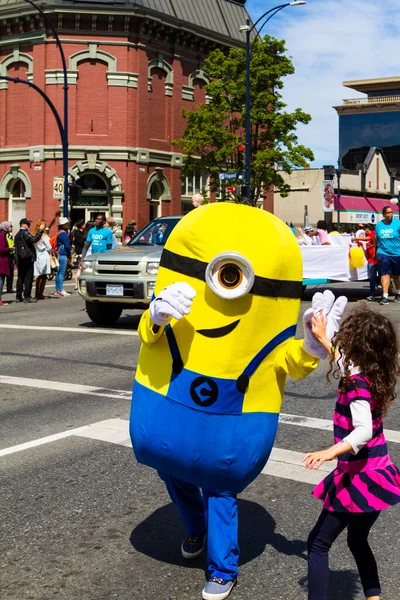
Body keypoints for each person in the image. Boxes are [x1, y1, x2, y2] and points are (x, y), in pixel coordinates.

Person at [129, 203, 347, 600]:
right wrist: (156, 316)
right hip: (169, 402)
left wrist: (312, 349)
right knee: (171, 470)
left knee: (220, 486)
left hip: (234, 416)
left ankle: (223, 569)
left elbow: (286, 361)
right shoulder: (175, 303)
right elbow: (149, 338)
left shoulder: (267, 310)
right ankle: (196, 528)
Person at [303, 305, 400, 600]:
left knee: (318, 543)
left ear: (355, 344)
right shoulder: (372, 373)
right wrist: (323, 338)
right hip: (379, 476)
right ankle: (374, 597)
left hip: (357, 480)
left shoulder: (357, 385)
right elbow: (345, 362)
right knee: (357, 541)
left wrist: (330, 451)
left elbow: (363, 430)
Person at [14, 218, 45, 303]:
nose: (29, 225)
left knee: (20, 278)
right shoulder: (25, 233)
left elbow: (16, 249)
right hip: (27, 258)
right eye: (28, 224)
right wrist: (40, 230)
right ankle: (27, 296)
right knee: (28, 278)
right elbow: (34, 239)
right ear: (23, 224)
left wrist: (16, 260)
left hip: (20, 259)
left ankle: (18, 296)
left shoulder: (17, 235)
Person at [374, 206, 400, 305]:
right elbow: (376, 239)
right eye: (388, 213)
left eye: (391, 212)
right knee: (385, 274)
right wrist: (375, 252)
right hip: (383, 252)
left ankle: (398, 293)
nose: (390, 214)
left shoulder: (398, 223)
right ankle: (384, 296)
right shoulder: (379, 225)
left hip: (397, 253)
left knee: (397, 276)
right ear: (383, 214)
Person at [352, 225, 380, 302]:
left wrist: (356, 238)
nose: (364, 232)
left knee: (382, 276)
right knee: (372, 278)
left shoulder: (373, 233)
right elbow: (366, 242)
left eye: (364, 230)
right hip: (371, 260)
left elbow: (368, 239)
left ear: (368, 229)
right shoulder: (367, 237)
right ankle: (372, 295)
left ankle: (384, 294)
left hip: (378, 259)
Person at [33, 220, 52, 300]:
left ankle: (37, 293)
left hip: (37, 256)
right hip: (44, 256)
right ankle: (40, 294)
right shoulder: (44, 236)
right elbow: (49, 247)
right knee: (44, 276)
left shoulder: (34, 235)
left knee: (39, 276)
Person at [53, 216, 71, 298]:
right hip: (63, 254)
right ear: (63, 224)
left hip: (58, 253)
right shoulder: (63, 233)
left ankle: (57, 289)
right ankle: (60, 289)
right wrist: (69, 254)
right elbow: (67, 245)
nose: (67, 224)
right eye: (66, 223)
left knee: (58, 272)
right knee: (61, 273)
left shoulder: (58, 232)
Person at [0, 221, 11, 306]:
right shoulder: (2, 236)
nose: (11, 228)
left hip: (2, 260)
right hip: (2, 261)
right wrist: (10, 248)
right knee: (0, 280)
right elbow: (2, 249)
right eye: (10, 226)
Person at [5, 224, 15, 294]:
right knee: (3, 273)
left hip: (11, 255)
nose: (12, 228)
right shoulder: (3, 235)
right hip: (5, 255)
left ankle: (9, 287)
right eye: (10, 226)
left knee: (11, 272)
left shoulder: (10, 236)